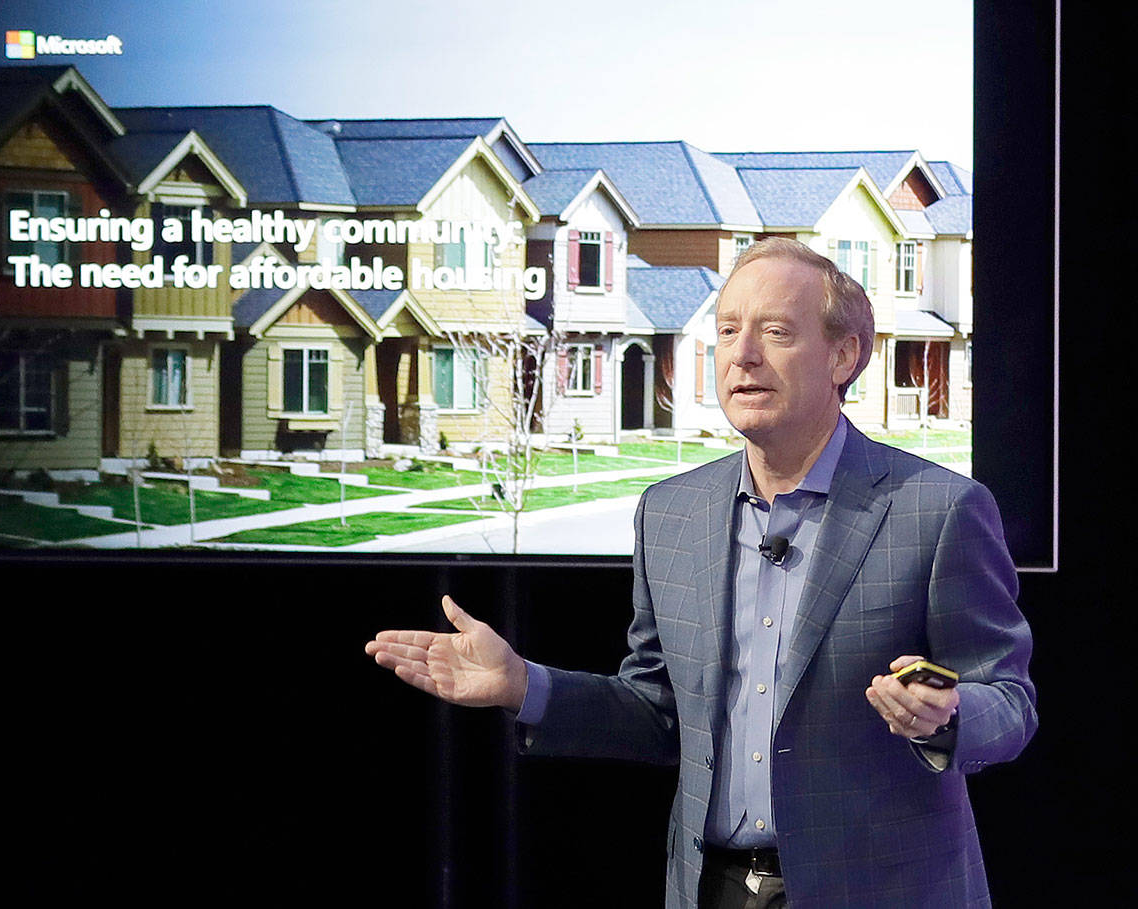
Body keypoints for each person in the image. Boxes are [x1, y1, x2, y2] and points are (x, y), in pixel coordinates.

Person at [366, 237, 1036, 908]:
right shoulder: (672, 513)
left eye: (775, 331)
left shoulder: (939, 508)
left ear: (842, 355)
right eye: (727, 331)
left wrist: (944, 716)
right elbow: (657, 713)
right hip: (709, 887)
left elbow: (1009, 700)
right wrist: (525, 685)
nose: (743, 354)